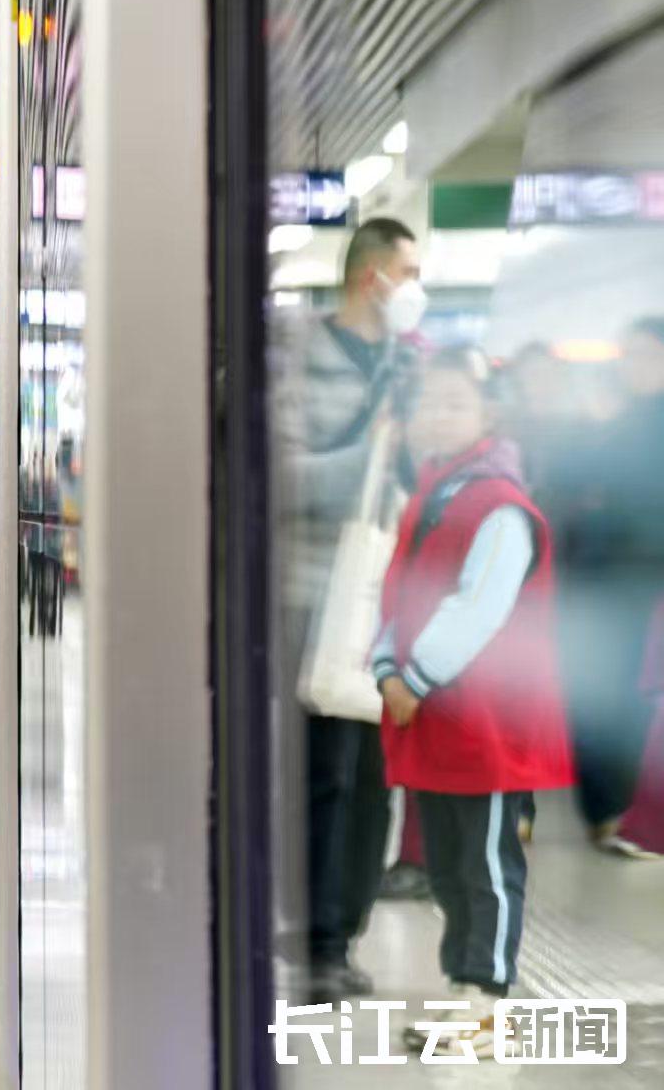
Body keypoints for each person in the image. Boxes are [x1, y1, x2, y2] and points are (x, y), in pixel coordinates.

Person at [372, 348, 572, 1054]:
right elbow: (398, 590)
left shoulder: (498, 504)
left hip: (484, 721)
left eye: (454, 402)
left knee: (485, 867)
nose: (437, 415)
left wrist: (411, 676)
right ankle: (464, 995)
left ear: (489, 413)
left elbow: (477, 606)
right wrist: (385, 664)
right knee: (449, 868)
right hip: (436, 716)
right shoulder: (435, 491)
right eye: (428, 402)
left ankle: (488, 1006)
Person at [275, 216, 424, 1001]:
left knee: (375, 776)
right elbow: (280, 476)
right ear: (374, 277)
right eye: (410, 272)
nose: (415, 288)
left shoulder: (408, 364)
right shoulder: (297, 358)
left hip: (388, 598)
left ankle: (342, 928)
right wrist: (367, 457)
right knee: (324, 771)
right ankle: (316, 939)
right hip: (314, 593)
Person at [566, 318, 664, 854]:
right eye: (630, 355)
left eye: (647, 355)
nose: (636, 366)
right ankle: (607, 812)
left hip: (644, 581)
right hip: (609, 581)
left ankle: (623, 812)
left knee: (635, 699)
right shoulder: (613, 422)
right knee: (608, 695)